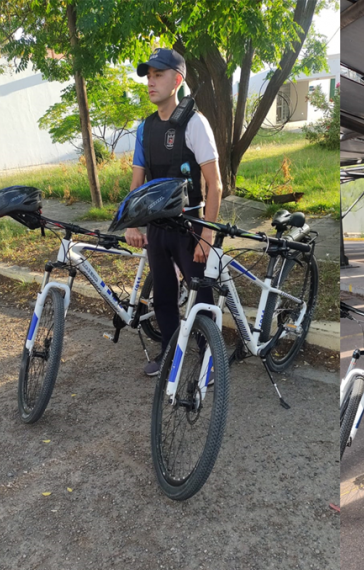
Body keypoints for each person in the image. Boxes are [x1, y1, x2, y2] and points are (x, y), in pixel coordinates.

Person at [123, 47, 223, 376]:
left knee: (202, 299)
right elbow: (137, 183)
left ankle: (210, 361)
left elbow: (215, 185)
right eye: (148, 76)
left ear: (177, 80)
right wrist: (133, 225)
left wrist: (207, 235)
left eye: (158, 75)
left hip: (191, 226)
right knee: (163, 297)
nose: (150, 82)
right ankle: (169, 355)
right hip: (157, 228)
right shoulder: (145, 128)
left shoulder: (195, 124)